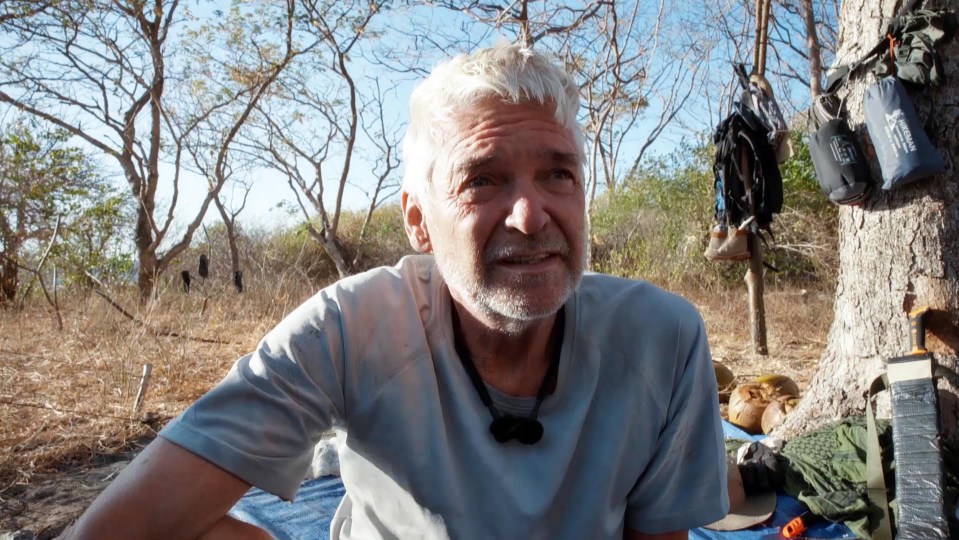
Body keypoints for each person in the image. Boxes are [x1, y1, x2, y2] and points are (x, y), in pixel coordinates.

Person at [65, 43, 728, 540]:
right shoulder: (352, 326)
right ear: (418, 221)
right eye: (482, 181)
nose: (531, 216)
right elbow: (116, 529)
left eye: (557, 174)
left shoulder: (661, 336)